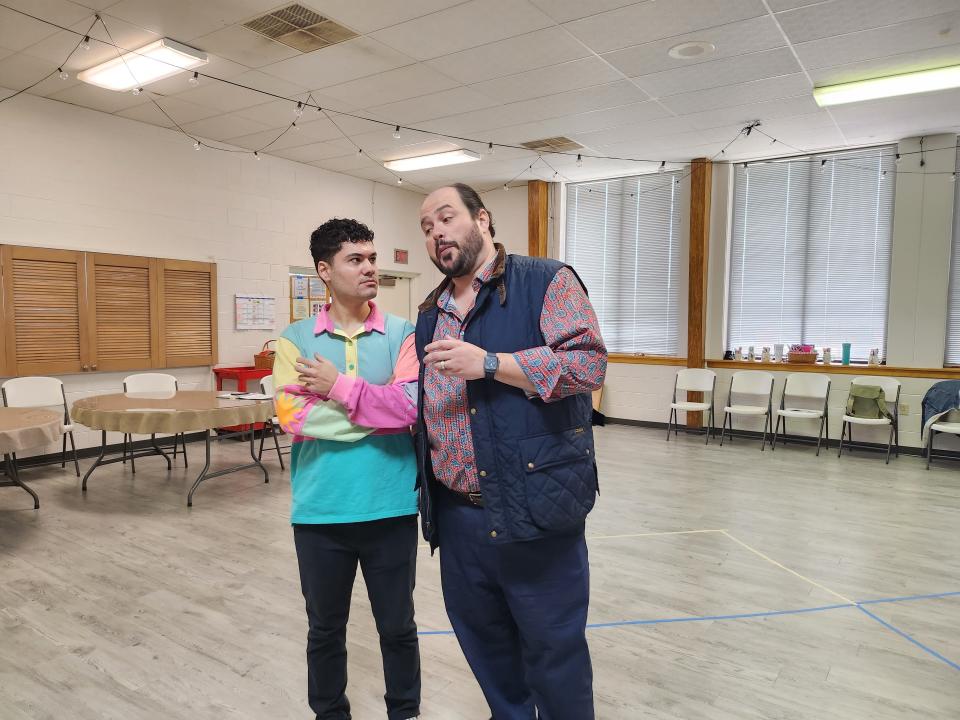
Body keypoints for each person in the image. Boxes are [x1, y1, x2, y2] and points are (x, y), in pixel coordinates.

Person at [414, 183, 607, 719]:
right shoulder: (430, 311)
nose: (436, 234)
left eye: (446, 218)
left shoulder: (548, 281)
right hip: (459, 520)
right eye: (426, 228)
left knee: (554, 656)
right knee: (490, 654)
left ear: (484, 219)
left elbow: (589, 366)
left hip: (535, 509)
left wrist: (493, 363)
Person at [273, 218, 421, 720]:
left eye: (372, 258)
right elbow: (294, 416)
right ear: (324, 270)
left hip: (391, 506)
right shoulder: (294, 339)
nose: (369, 269)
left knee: (398, 628)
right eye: (355, 260)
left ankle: (405, 712)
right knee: (325, 630)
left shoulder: (403, 332)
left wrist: (338, 389)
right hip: (320, 512)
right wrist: (373, 416)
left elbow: (410, 409)